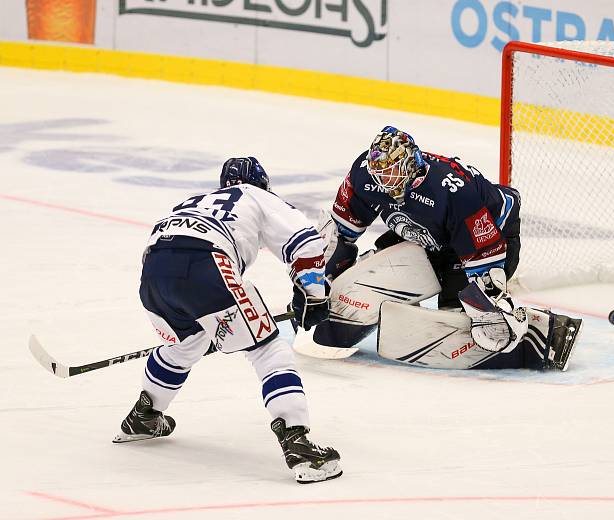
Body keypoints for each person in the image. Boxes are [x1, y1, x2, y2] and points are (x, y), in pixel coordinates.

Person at [113, 157, 342, 484]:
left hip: (154, 273)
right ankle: (298, 444)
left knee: (186, 343)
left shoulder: (193, 202)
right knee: (268, 350)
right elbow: (304, 241)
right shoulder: (256, 195)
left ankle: (144, 415)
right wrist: (313, 292)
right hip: (207, 264)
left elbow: (161, 242)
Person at [317, 126, 580, 370]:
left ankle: (540, 335)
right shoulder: (365, 174)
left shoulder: (454, 191)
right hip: (429, 237)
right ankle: (339, 324)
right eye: (380, 173)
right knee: (377, 270)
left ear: (411, 165)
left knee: (466, 321)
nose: (384, 181)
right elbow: (339, 235)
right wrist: (318, 283)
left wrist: (492, 303)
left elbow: (484, 254)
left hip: (489, 239)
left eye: (391, 172)